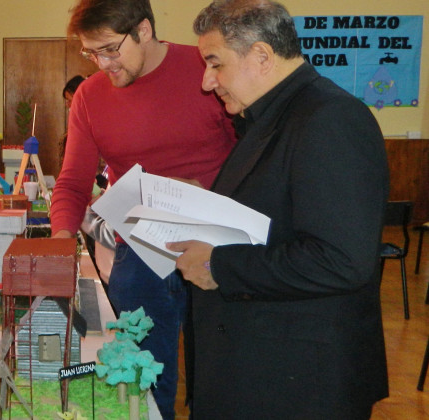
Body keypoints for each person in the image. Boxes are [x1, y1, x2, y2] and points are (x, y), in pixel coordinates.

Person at [167, 1, 389, 418]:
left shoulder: (330, 118)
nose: (206, 80)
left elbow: (341, 259)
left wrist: (221, 266)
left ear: (262, 56)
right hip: (265, 366)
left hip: (300, 381)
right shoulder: (276, 115)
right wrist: (201, 197)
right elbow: (276, 212)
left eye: (215, 63)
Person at [51, 1, 237, 417]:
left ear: (144, 30)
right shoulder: (90, 96)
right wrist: (62, 239)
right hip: (140, 245)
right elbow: (73, 181)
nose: (101, 63)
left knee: (222, 373)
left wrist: (203, 189)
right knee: (140, 377)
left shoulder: (205, 70)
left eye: (110, 49)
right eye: (91, 52)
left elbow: (253, 156)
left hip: (218, 237)